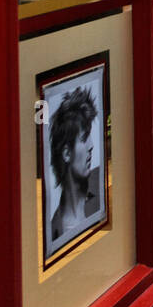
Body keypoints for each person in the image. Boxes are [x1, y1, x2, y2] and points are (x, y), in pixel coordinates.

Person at [49, 87, 100, 243]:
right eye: (84, 138)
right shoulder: (56, 230)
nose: (91, 145)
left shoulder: (99, 182)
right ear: (66, 153)